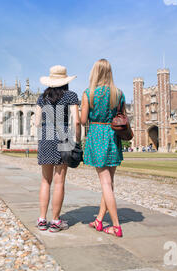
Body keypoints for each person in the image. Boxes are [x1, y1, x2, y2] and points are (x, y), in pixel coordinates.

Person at [80, 59, 124, 238]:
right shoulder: (118, 93)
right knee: (109, 182)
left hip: (97, 134)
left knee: (105, 183)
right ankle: (99, 219)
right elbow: (122, 116)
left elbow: (83, 121)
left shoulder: (88, 93)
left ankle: (115, 226)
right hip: (113, 135)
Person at [35, 65, 81, 233]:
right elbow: (76, 121)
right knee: (59, 182)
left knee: (45, 181)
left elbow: (37, 122)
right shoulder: (71, 96)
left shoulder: (42, 97)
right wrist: (78, 140)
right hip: (63, 137)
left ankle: (42, 219)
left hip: (45, 137)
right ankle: (55, 221)